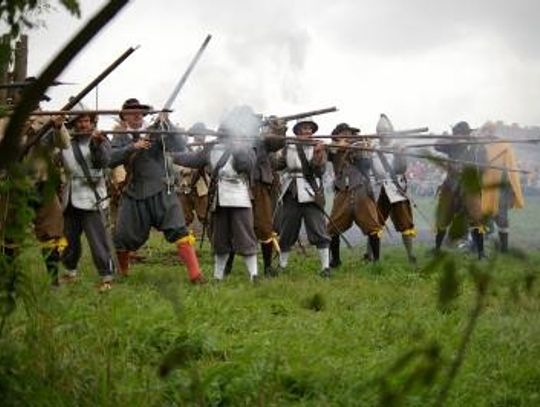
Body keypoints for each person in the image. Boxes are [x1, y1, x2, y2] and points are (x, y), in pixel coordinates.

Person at [109, 98, 205, 283]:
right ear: (125, 116)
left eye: (139, 111)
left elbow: (179, 146)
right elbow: (110, 159)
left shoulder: (157, 130)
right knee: (123, 235)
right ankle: (123, 273)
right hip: (134, 191)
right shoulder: (120, 137)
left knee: (178, 229)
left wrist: (167, 124)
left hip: (161, 189)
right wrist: (133, 147)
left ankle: (196, 275)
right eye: (132, 112)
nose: (137, 115)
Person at [173, 106, 258, 282]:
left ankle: (253, 275)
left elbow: (246, 167)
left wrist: (239, 149)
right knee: (220, 238)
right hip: (218, 197)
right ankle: (218, 277)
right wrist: (172, 156)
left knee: (245, 236)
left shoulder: (246, 147)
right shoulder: (211, 147)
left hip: (240, 195)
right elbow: (194, 160)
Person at [0, 96, 70, 286]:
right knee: (9, 235)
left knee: (52, 233)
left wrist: (57, 126)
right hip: (14, 185)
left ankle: (53, 280)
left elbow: (64, 144)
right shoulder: (6, 120)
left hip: (42, 184)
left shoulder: (49, 118)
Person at [60, 110, 115, 291]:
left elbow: (103, 162)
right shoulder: (66, 142)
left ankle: (106, 276)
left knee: (97, 240)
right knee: (70, 240)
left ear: (91, 122)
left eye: (86, 121)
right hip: (71, 197)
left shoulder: (102, 141)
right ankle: (70, 271)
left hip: (92, 198)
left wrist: (97, 144)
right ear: (73, 124)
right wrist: (56, 126)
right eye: (79, 121)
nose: (83, 124)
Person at [275, 118, 331, 277]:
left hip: (311, 192)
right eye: (304, 128)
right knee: (287, 231)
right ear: (298, 131)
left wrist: (318, 154)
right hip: (290, 192)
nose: (308, 131)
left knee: (318, 230)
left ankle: (325, 268)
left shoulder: (318, 147)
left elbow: (319, 171)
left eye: (309, 129)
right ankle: (282, 266)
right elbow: (278, 165)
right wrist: (271, 148)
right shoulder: (288, 147)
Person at [326, 123, 383, 268]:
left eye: (349, 133)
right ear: (337, 136)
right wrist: (340, 145)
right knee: (332, 228)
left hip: (360, 190)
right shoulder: (332, 148)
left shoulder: (360, 146)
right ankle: (335, 261)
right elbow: (327, 152)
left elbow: (366, 164)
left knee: (372, 226)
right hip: (342, 191)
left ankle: (376, 260)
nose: (347, 135)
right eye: (343, 133)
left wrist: (363, 148)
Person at [434, 121, 487, 259]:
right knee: (443, 217)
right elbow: (436, 145)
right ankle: (437, 249)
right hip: (451, 185)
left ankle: (481, 253)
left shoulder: (476, 146)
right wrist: (449, 139)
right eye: (455, 134)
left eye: (458, 134)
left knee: (476, 219)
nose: (456, 136)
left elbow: (484, 163)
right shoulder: (452, 145)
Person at [371, 114, 416, 264]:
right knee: (374, 223)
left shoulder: (398, 145)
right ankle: (371, 256)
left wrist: (400, 155)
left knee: (405, 223)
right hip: (379, 188)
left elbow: (401, 168)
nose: (383, 133)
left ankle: (411, 255)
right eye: (380, 131)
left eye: (386, 130)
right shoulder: (373, 147)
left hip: (396, 189)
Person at [480, 122, 525, 252]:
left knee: (502, 218)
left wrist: (511, 191)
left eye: (489, 131)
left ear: (493, 131)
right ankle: (481, 246)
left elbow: (510, 169)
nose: (487, 133)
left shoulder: (504, 146)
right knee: (484, 216)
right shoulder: (480, 147)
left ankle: (504, 248)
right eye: (485, 131)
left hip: (501, 188)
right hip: (485, 187)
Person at [251, 116, 287, 276]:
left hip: (261, 187)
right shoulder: (236, 140)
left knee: (265, 226)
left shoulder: (263, 141)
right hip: (240, 186)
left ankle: (267, 267)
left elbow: (278, 142)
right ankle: (226, 267)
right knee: (238, 225)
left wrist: (279, 128)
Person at [175, 122, 209, 234]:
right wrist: (185, 170)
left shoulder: (208, 150)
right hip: (184, 186)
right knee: (183, 219)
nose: (201, 136)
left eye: (203, 133)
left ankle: (214, 241)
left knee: (206, 217)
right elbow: (177, 165)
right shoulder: (185, 148)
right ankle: (184, 242)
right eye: (198, 133)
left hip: (201, 188)